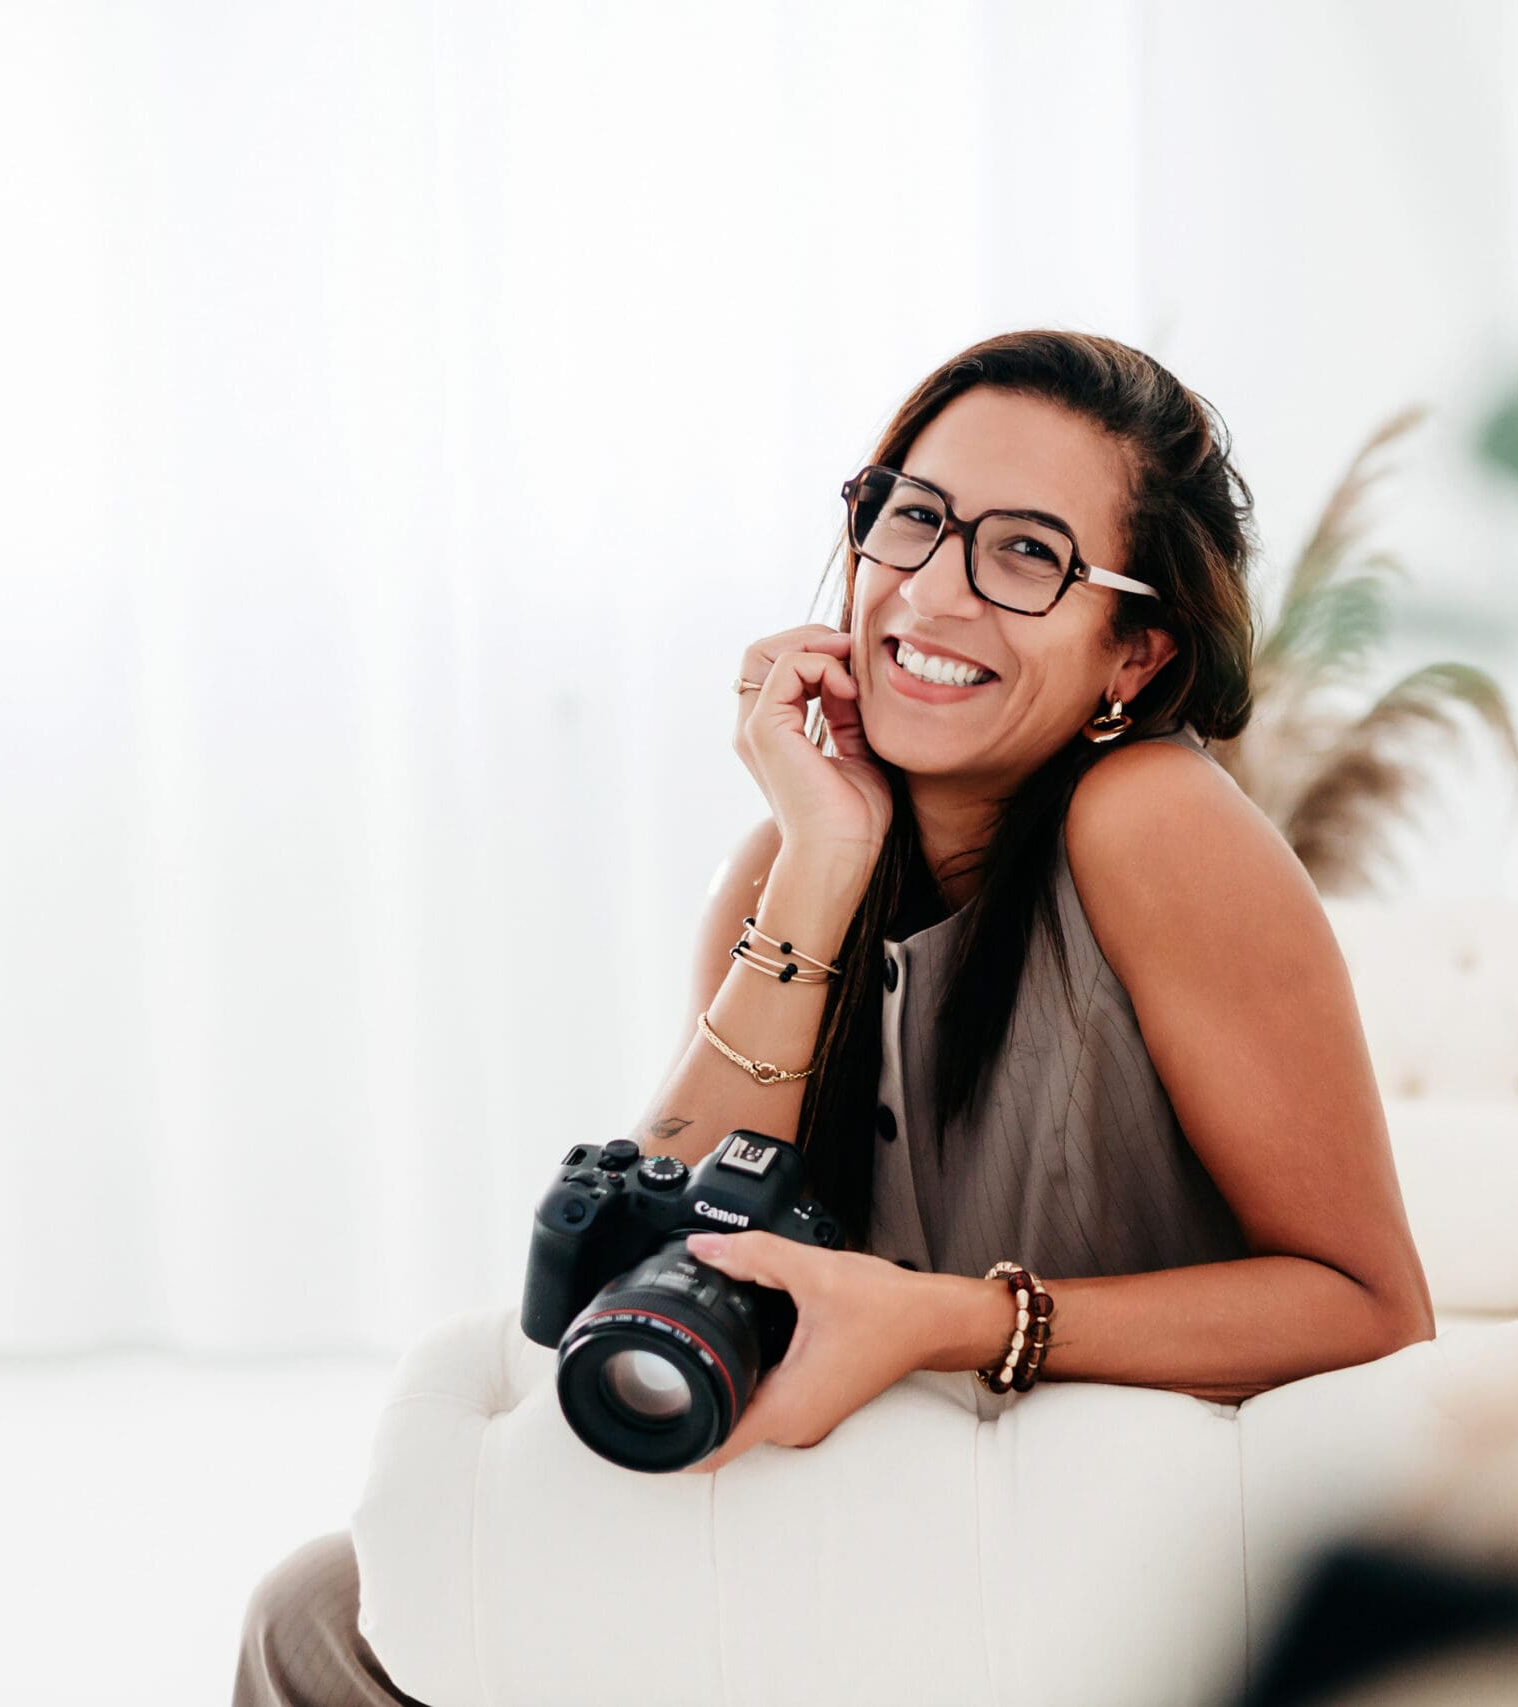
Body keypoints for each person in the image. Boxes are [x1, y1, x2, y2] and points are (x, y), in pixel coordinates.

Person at [235, 329, 1437, 1705]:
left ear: (1135, 653)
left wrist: (947, 1321)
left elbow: (1370, 1307)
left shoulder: (1150, 821)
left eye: (1028, 555)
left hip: (1106, 1562)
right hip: (864, 1529)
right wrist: (816, 853)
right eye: (913, 520)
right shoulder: (791, 865)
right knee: (320, 1614)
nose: (934, 591)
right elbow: (657, 1244)